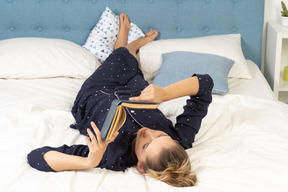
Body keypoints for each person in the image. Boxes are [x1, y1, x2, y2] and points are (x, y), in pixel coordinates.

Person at [27, 13, 213, 187]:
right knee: (133, 70)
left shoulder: (112, 157)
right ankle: (127, 50)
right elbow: (205, 84)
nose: (147, 132)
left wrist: (90, 160)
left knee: (120, 61)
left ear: (140, 166)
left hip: (97, 93)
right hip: (135, 88)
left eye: (146, 145)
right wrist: (165, 93)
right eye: (161, 135)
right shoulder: (181, 139)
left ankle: (123, 45)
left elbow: (36, 157)